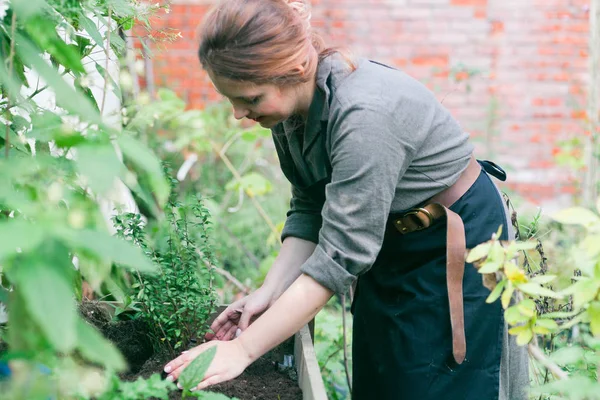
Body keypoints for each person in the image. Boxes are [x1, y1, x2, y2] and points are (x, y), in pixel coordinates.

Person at [163, 0, 529, 398]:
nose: (238, 113)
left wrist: (241, 350)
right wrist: (268, 293)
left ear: (295, 69)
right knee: (386, 377)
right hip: (388, 240)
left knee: (438, 382)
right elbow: (310, 207)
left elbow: (340, 257)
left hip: (452, 243)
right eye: (231, 99)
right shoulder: (290, 112)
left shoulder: (363, 116)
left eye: (250, 99)